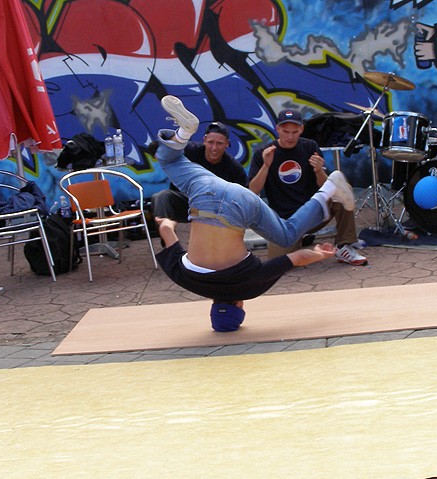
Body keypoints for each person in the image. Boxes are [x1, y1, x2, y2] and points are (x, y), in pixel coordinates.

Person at [153, 95, 355, 332]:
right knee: (168, 160)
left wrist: (319, 254)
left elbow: (296, 258)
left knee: (287, 235)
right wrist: (167, 224)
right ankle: (184, 133)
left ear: (239, 306)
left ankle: (330, 187)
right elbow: (166, 231)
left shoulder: (248, 287)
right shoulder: (187, 280)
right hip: (204, 193)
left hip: (241, 202)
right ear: (213, 305)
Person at [247, 109, 368, 266]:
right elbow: (253, 191)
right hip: (286, 222)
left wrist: (319, 171)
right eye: (286, 132)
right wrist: (266, 165)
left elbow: (326, 186)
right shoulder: (263, 153)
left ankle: (344, 245)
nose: (290, 136)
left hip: (313, 212)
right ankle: (300, 239)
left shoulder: (310, 147)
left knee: (342, 189)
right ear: (277, 129)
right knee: (278, 263)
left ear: (301, 129)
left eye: (295, 132)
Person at [151, 121, 247, 223]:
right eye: (210, 142)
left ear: (227, 144)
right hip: (185, 202)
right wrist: (162, 154)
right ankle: (165, 229)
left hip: (213, 210)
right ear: (204, 140)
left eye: (219, 143)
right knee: (161, 197)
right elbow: (154, 147)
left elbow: (243, 200)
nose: (214, 148)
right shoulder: (189, 150)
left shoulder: (235, 169)